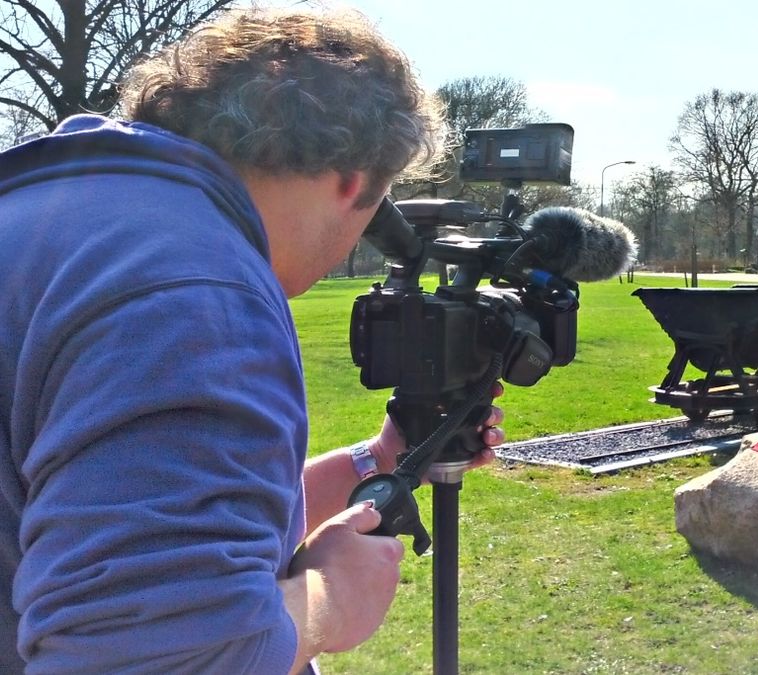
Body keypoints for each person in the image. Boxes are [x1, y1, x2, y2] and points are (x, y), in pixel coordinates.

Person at [0, 8, 505, 673]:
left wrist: (378, 457)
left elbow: (130, 516)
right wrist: (325, 601)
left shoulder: (57, 213)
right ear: (355, 180)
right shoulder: (196, 287)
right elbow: (141, 653)